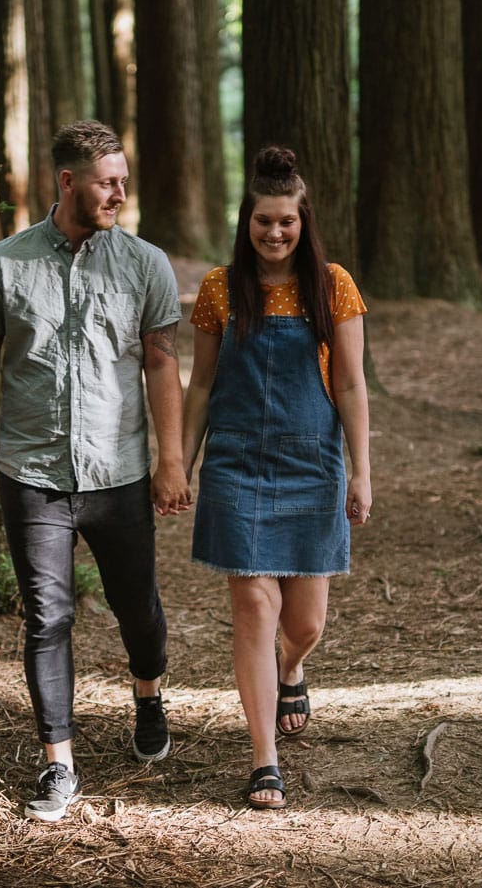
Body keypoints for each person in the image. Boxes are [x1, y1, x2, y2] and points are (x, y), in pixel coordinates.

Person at [0, 120, 192, 822]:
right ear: (68, 182)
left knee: (138, 609)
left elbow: (161, 363)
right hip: (30, 471)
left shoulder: (145, 264)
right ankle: (60, 763)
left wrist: (171, 460)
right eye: (107, 181)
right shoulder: (5, 263)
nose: (121, 190)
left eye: (123, 178)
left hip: (117, 473)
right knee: (46, 617)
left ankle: (148, 696)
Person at [180, 146, 372, 810]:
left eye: (286, 221)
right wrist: (178, 459)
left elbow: (349, 383)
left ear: (303, 220)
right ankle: (264, 757)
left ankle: (292, 666)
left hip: (312, 463)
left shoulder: (334, 285)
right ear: (247, 220)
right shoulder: (217, 289)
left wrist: (361, 473)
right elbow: (201, 384)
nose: (274, 232)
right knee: (254, 605)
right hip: (235, 463)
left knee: (306, 620)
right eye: (263, 221)